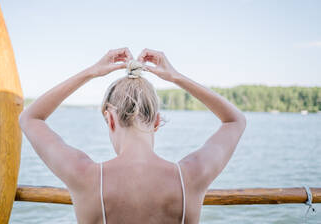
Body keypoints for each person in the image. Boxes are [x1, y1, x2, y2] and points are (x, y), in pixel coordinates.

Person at [19, 47, 246, 224]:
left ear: (110, 119)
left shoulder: (85, 176)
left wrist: (91, 72)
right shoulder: (190, 175)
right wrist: (176, 77)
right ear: (157, 121)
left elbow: (30, 118)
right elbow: (235, 120)